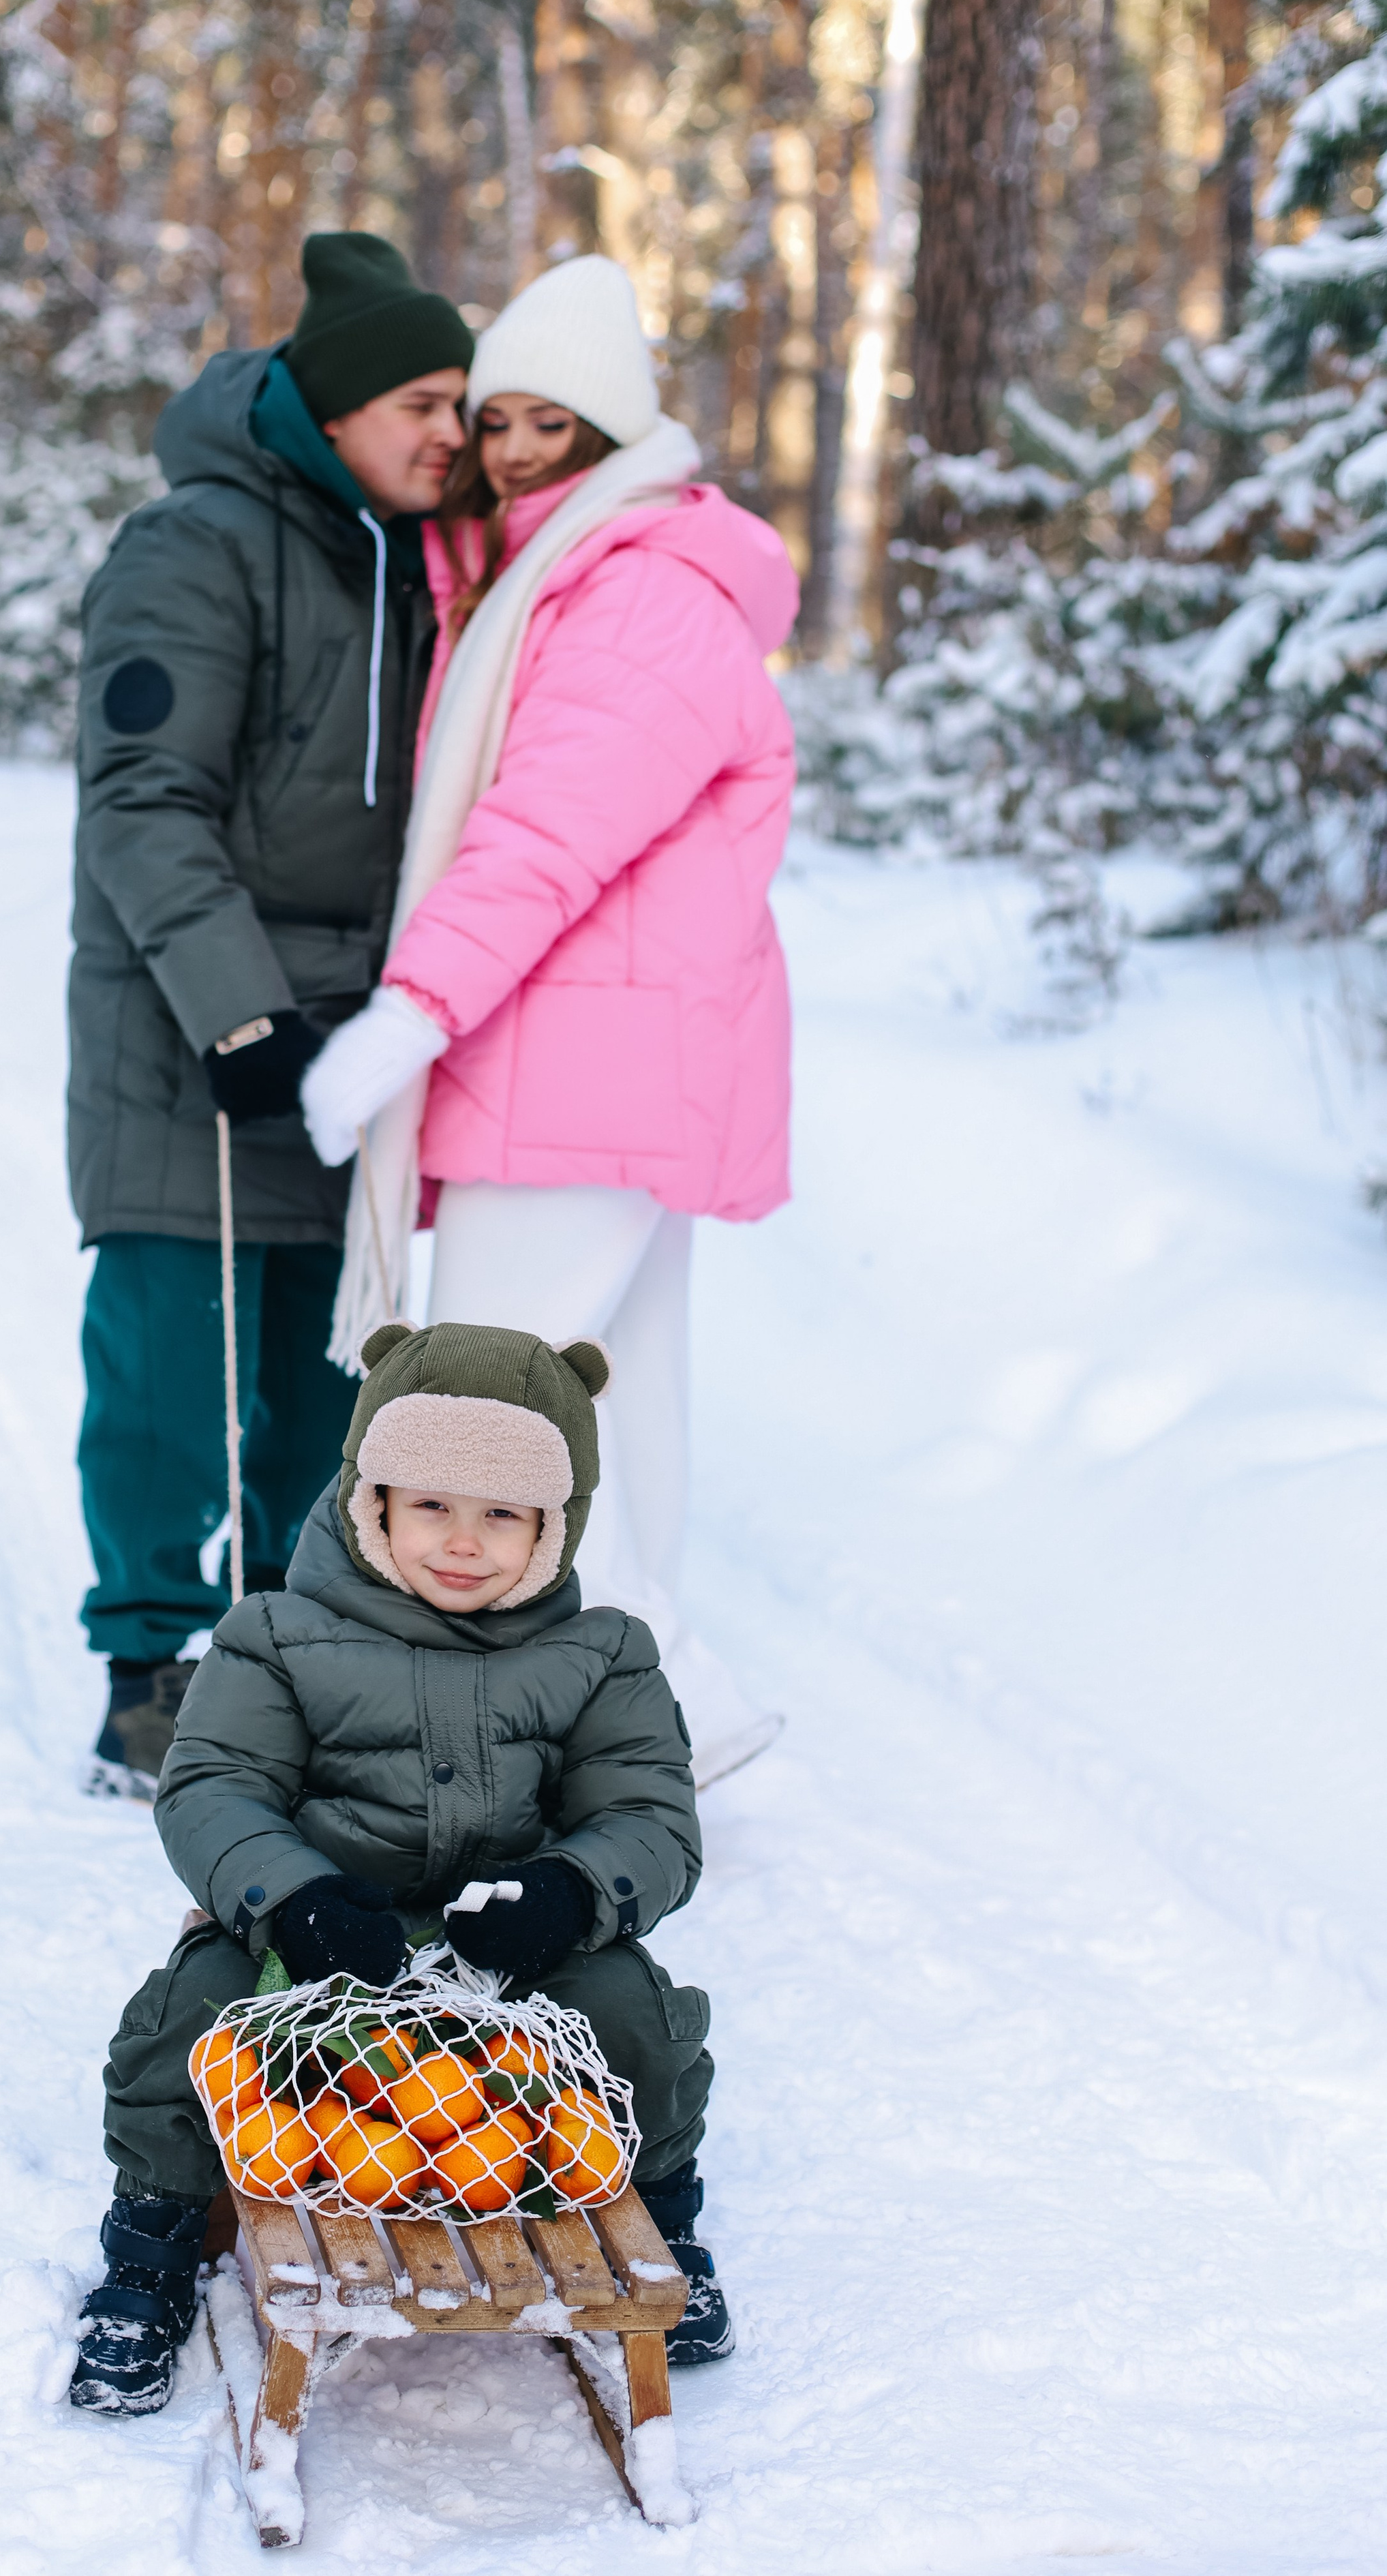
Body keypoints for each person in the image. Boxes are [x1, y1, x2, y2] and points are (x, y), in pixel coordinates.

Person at [298, 254, 799, 1786]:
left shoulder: (637, 589)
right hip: (605, 1061)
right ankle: (652, 1703)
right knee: (610, 1399)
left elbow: (543, 834)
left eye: (547, 422)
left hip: (588, 1062)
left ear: (615, 428)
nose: (510, 449)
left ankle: (612, 1716)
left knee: (486, 1399)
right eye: (494, 417)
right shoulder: (560, 578)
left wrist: (410, 1009)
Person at [67, 1320, 732, 2416]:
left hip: (513, 1948)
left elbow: (651, 1813)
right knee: (190, 2021)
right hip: (320, 1936)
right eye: (431, 1506)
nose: (463, 1543)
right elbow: (214, 1786)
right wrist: (292, 1898)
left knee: (642, 2024)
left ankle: (664, 2222)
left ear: (555, 1526)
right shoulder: (275, 1636)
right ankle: (148, 2255)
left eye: (503, 1516)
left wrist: (569, 1894)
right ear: (371, 1498)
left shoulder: (603, 1655)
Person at [67, 233, 474, 1797]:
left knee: (321, 1369)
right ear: (340, 400)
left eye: (463, 402)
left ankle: (282, 1657)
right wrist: (242, 1023)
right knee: (173, 1364)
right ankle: (146, 1670)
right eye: (425, 399)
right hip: (188, 1024)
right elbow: (142, 806)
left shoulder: (410, 562)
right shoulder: (199, 547)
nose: (450, 430)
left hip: (347, 1043)